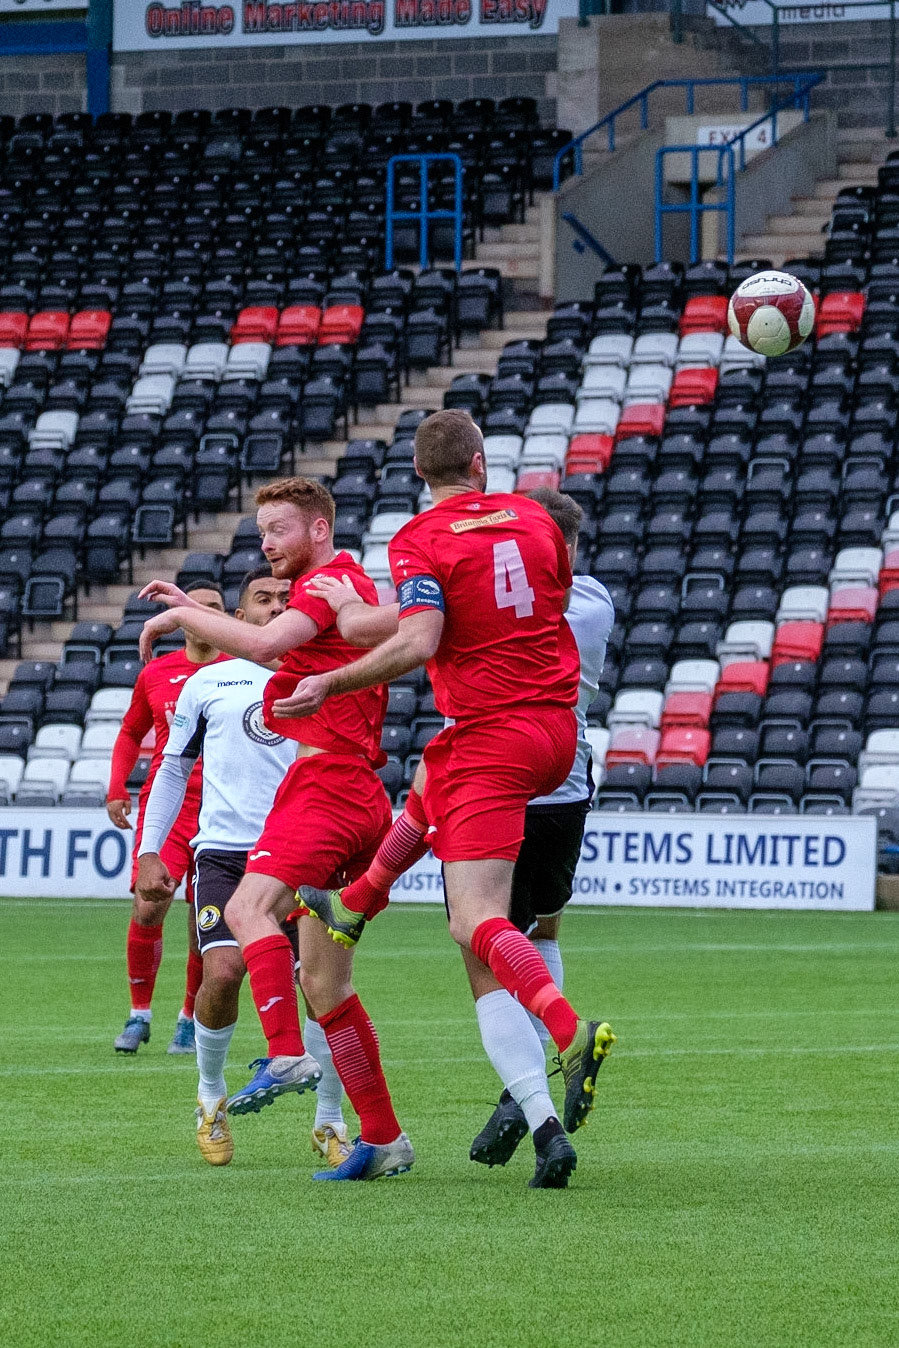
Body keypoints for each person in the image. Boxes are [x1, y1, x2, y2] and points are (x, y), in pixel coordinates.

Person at [273, 411, 616, 1188]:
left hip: (494, 731)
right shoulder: (535, 521)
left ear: (420, 475)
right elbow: (519, 603)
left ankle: (567, 1028)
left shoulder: (420, 539)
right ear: (481, 463)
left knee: (475, 920)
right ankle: (356, 903)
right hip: (556, 732)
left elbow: (422, 639)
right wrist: (361, 617)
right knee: (433, 775)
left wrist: (328, 675)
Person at [137, 478, 414, 1183]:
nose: (266, 545)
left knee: (245, 912)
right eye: (261, 532)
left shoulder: (324, 587)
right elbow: (326, 655)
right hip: (355, 795)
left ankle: (286, 1052)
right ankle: (382, 1137)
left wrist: (180, 615)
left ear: (317, 529)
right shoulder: (346, 589)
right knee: (327, 984)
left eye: (278, 530)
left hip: (325, 787)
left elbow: (263, 645)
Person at [134, 566, 352, 1170]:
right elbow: (173, 767)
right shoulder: (211, 681)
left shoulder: (328, 673)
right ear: (239, 616)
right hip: (227, 853)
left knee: (322, 988)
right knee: (224, 971)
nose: (279, 604)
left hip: (307, 848)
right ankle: (209, 1098)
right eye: (265, 598)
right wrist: (152, 848)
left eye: (288, 597)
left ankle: (330, 1122)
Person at [108, 582, 230, 1056]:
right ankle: (139, 1015)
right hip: (169, 806)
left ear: (229, 615)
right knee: (148, 905)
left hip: (222, 808)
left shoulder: (242, 671)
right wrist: (117, 785)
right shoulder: (157, 673)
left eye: (214, 607)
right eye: (195, 605)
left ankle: (187, 1017)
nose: (203, 612)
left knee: (205, 918)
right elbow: (130, 731)